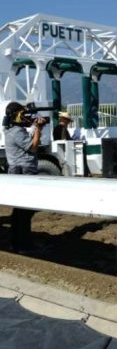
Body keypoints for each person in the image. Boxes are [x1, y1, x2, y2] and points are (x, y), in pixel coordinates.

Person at [3, 102, 48, 253]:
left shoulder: (12, 130)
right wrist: (38, 129)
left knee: (20, 213)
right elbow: (33, 147)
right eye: (23, 114)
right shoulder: (17, 132)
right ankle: (24, 246)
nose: (26, 117)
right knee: (24, 213)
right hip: (23, 172)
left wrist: (35, 129)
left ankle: (18, 244)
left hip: (19, 172)